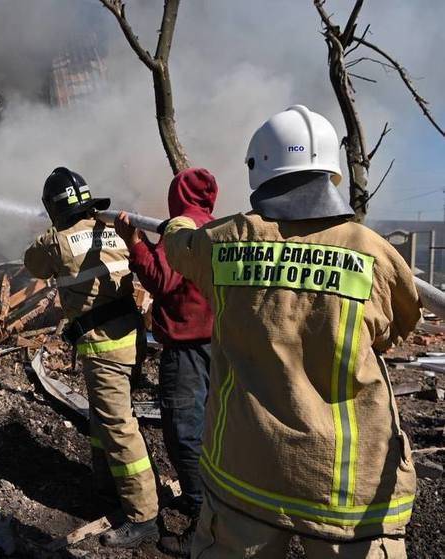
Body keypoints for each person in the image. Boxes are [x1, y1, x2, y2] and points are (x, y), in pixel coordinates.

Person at [155, 106, 420, 558]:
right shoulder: (373, 252)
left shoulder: (226, 240)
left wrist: (179, 219)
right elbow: (397, 328)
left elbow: (178, 248)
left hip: (246, 474)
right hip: (348, 489)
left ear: (258, 168)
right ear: (330, 171)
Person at [24, 167, 159, 549]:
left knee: (118, 426)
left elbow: (32, 262)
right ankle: (107, 484)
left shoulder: (56, 242)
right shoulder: (112, 228)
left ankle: (143, 515)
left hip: (104, 349)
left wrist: (53, 232)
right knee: (103, 415)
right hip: (132, 339)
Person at [115, 168, 217, 557]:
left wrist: (135, 242)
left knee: (184, 431)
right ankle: (214, 502)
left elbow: (161, 280)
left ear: (177, 196)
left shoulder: (181, 229)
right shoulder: (215, 226)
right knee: (212, 429)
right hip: (219, 345)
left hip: (187, 349)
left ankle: (201, 512)